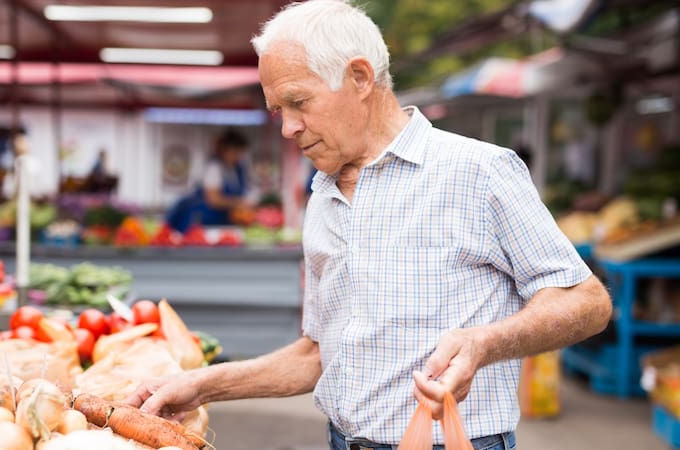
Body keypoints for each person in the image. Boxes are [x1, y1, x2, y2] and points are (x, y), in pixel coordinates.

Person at [128, 1, 612, 449]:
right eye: (279, 110)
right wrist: (200, 384)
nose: (287, 128)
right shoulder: (323, 194)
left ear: (360, 77)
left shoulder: (478, 172)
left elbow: (586, 301)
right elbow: (316, 356)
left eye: (298, 102)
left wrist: (484, 343)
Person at [166, 128, 252, 233]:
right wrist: (239, 202)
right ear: (224, 151)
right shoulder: (214, 169)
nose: (238, 156)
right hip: (204, 221)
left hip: (222, 223)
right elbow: (214, 200)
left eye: (240, 152)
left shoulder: (236, 171)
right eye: (235, 152)